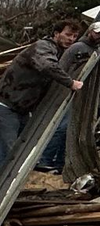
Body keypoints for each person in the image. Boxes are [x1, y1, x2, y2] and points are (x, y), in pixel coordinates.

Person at [0, 19, 84, 169]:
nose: (71, 39)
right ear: (56, 33)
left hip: (22, 108)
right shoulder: (43, 47)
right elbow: (47, 65)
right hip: (6, 105)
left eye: (75, 36)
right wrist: (71, 83)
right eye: (68, 34)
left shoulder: (58, 53)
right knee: (9, 150)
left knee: (21, 150)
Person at [38, 19, 100, 172]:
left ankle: (61, 163)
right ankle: (45, 159)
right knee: (62, 127)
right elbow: (60, 68)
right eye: (97, 33)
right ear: (90, 32)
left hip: (86, 97)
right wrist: (58, 90)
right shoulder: (76, 48)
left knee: (74, 129)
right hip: (69, 94)